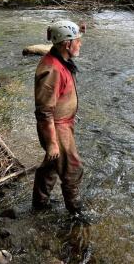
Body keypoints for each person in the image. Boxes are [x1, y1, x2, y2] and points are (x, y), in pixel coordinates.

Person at [32, 20, 85, 215]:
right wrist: (52, 143)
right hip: (56, 127)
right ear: (66, 44)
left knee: (52, 165)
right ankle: (75, 214)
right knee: (72, 169)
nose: (80, 44)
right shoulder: (52, 70)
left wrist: (79, 29)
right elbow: (44, 111)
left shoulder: (60, 58)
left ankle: (39, 203)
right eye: (77, 41)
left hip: (62, 124)